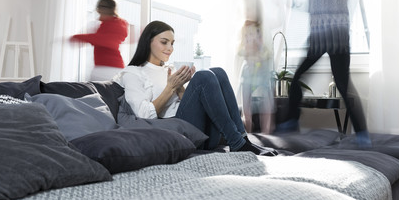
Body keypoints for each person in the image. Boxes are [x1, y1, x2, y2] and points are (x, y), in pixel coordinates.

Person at [114, 20, 277, 156]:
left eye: (172, 43)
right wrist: (170, 87)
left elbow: (186, 106)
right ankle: (237, 143)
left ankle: (242, 139)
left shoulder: (168, 69)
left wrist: (181, 89)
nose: (170, 48)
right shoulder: (133, 73)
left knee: (217, 72)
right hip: (178, 136)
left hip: (200, 132)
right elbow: (143, 114)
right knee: (203, 76)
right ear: (148, 41)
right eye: (164, 42)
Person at [282, 0, 372, 148]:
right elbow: (324, 2)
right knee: (343, 84)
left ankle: (291, 120)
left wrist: (292, 3)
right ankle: (363, 133)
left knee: (298, 77)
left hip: (321, 36)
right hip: (339, 37)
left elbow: (313, 5)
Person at [236, 0, 274, 134]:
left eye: (250, 9)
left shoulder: (262, 29)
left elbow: (267, 51)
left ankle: (267, 129)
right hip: (248, 67)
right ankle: (248, 125)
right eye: (245, 9)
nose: (247, 11)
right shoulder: (243, 28)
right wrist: (246, 50)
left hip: (261, 68)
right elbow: (240, 49)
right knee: (245, 100)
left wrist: (259, 47)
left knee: (266, 100)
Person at [71, 0, 128, 81]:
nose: (98, 9)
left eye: (101, 6)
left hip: (109, 69)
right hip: (103, 67)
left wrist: (79, 37)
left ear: (109, 9)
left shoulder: (116, 24)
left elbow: (104, 40)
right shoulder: (105, 24)